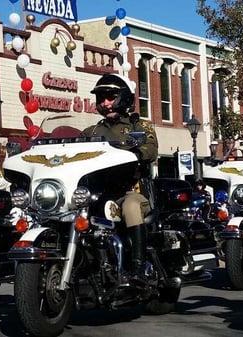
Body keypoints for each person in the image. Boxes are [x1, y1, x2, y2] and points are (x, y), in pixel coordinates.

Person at [82, 73, 158, 284]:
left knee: (131, 207)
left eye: (109, 97)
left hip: (130, 192)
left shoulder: (139, 126)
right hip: (96, 194)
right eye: (100, 98)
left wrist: (136, 153)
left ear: (123, 98)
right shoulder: (91, 131)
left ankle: (138, 267)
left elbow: (150, 149)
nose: (104, 103)